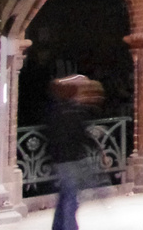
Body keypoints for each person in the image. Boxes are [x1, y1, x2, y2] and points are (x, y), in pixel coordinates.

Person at [45, 74, 102, 230]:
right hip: (70, 158)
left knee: (66, 195)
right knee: (70, 197)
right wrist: (93, 145)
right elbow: (79, 134)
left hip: (60, 158)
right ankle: (68, 227)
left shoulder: (56, 110)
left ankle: (59, 226)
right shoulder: (72, 111)